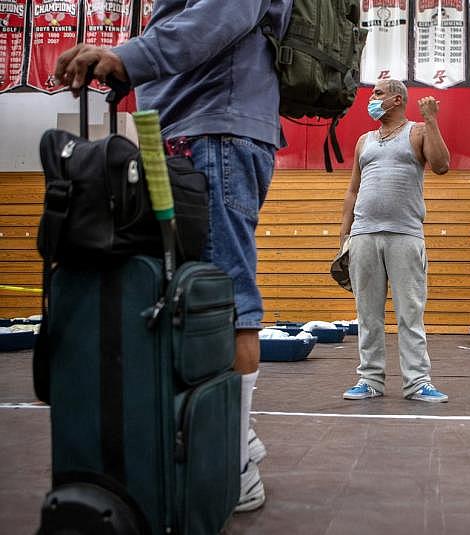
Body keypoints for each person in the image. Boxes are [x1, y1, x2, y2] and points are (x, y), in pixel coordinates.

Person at [54, 0, 292, 513]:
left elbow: (223, 15)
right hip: (187, 128)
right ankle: (231, 437)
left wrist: (129, 56)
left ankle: (234, 469)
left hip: (216, 129)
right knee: (192, 298)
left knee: (224, 302)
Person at [339, 79, 451, 403]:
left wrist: (431, 119)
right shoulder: (364, 141)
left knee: (409, 314)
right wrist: (343, 233)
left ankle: (417, 382)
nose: (371, 99)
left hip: (404, 234)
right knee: (367, 314)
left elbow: (442, 165)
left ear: (396, 99)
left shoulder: (416, 132)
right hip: (363, 234)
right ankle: (370, 380)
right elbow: (352, 190)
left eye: (377, 94)